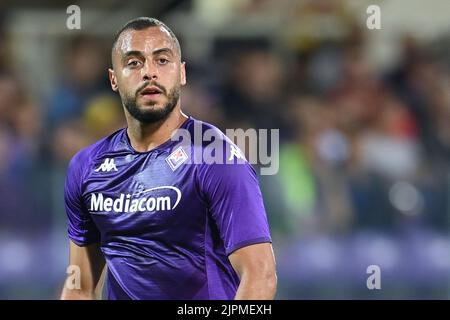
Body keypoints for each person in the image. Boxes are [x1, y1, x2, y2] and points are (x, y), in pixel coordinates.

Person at [60, 17, 276, 300]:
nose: (149, 72)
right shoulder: (86, 167)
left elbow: (260, 276)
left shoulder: (215, 157)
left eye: (162, 60)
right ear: (114, 78)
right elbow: (80, 287)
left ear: (182, 73)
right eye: (134, 63)